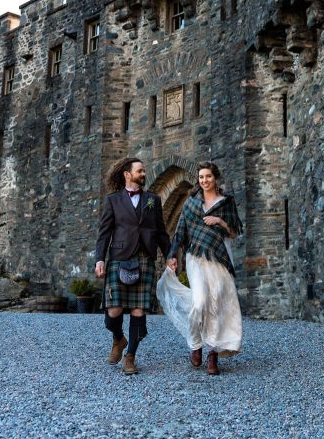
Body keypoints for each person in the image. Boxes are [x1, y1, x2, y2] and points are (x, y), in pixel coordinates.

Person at [160, 161, 243, 376]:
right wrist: (171, 256)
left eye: (208, 176)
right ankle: (195, 342)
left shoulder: (227, 203)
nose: (204, 180)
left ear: (215, 178)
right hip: (196, 257)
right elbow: (179, 234)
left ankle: (212, 354)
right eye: (201, 177)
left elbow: (234, 233)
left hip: (220, 258)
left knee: (215, 304)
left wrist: (220, 222)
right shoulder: (190, 204)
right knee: (199, 302)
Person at [94, 157, 169, 375]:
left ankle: (130, 357)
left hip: (144, 257)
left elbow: (161, 232)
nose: (144, 174)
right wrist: (100, 258)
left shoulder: (153, 199)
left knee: (138, 311)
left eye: (144, 171)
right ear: (127, 174)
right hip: (119, 257)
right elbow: (104, 233)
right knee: (113, 311)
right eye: (140, 171)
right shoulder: (113, 200)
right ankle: (118, 338)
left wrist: (170, 254)